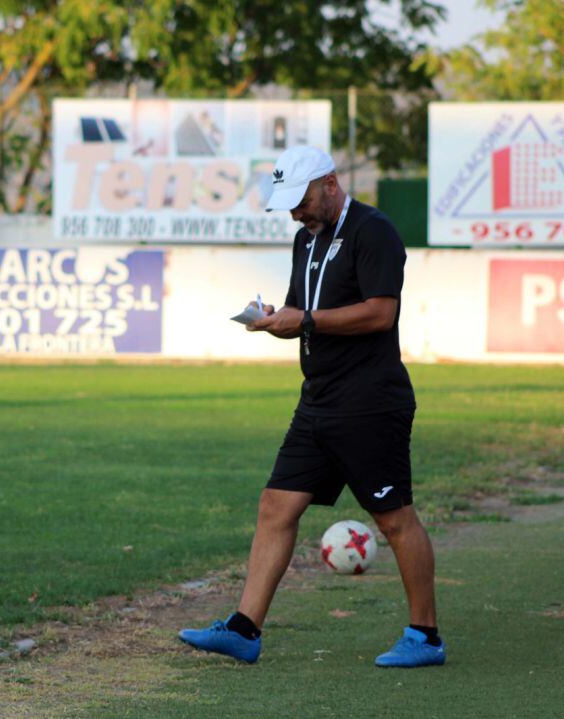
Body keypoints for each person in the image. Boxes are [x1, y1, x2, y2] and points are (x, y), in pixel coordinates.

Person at [178, 146, 444, 668]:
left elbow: (379, 313)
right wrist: (276, 319)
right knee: (275, 506)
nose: (295, 212)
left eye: (299, 199)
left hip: (369, 402)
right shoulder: (307, 238)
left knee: (393, 520)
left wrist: (302, 321)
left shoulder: (375, 231)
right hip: (318, 400)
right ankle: (244, 629)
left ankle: (426, 637)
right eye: (288, 204)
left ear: (328, 182)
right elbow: (308, 312)